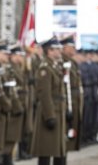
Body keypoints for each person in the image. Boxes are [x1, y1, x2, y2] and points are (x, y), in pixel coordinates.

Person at [30, 37, 67, 165]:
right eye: (56, 49)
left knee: (58, 150)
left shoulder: (54, 66)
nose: (59, 52)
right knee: (46, 150)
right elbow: (44, 94)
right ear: (49, 51)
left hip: (58, 111)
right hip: (50, 112)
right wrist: (50, 116)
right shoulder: (45, 68)